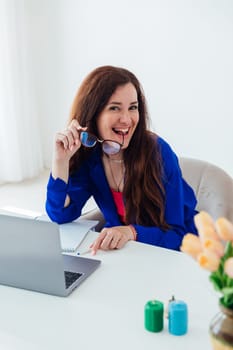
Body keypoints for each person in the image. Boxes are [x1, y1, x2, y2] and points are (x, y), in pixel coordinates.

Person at [46, 65, 198, 254]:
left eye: (133, 107)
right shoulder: (91, 156)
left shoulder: (158, 152)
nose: (127, 119)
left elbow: (178, 234)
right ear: (93, 114)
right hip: (127, 251)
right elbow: (60, 214)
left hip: (175, 252)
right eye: (115, 108)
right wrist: (60, 161)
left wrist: (131, 232)